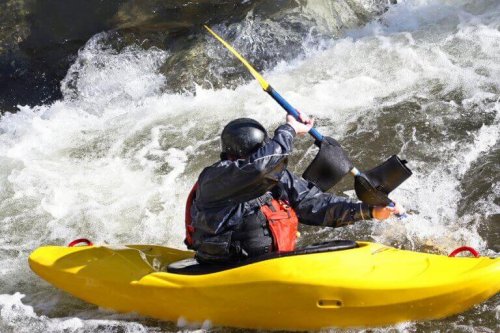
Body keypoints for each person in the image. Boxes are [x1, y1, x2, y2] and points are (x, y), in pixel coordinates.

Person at [185, 115, 402, 264]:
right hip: (228, 268)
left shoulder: (274, 177)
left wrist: (369, 210)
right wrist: (289, 129)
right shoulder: (215, 178)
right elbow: (260, 167)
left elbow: (314, 204)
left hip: (271, 265)